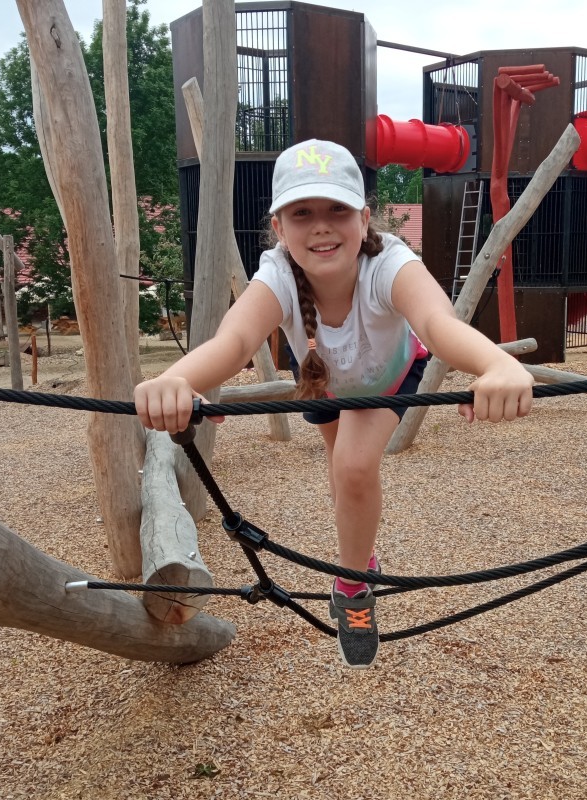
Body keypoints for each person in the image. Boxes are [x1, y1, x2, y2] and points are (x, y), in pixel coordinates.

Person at [134, 139, 534, 669]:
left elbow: (438, 323)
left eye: (337, 210)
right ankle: (362, 552)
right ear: (279, 228)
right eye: (302, 213)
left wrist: (495, 364)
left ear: (365, 219)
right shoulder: (278, 273)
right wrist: (176, 379)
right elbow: (234, 340)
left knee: (353, 466)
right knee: (340, 472)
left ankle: (352, 585)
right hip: (322, 377)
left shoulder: (389, 262)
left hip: (388, 376)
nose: (321, 226)